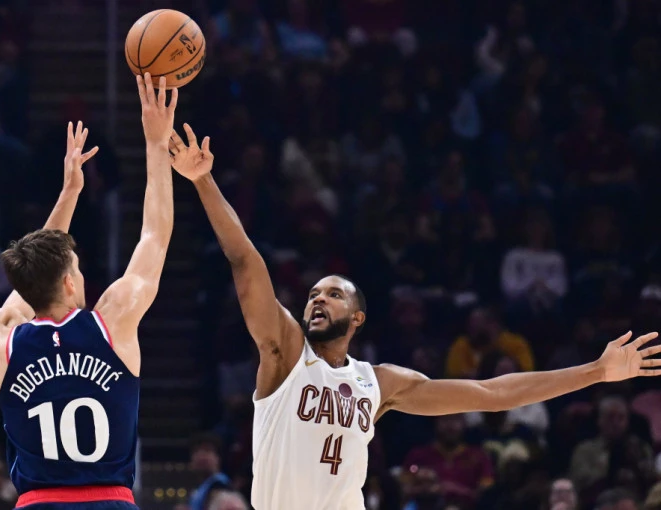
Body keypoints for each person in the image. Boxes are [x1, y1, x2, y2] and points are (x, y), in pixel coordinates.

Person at [168, 124, 661, 510]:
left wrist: (596, 372)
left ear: (357, 318)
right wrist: (203, 181)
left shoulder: (378, 383)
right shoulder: (286, 355)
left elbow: (493, 393)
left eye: (334, 294)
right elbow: (245, 261)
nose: (317, 299)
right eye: (313, 294)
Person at [0, 74, 177, 509]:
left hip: (38, 502)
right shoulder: (113, 323)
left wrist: (68, 193)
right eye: (78, 268)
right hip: (109, 499)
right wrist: (156, 143)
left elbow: (29, 275)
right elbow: (155, 236)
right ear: (70, 282)